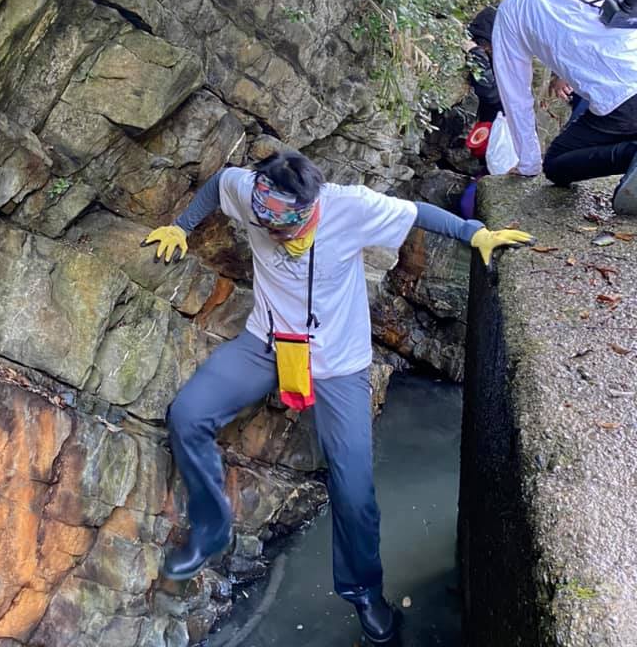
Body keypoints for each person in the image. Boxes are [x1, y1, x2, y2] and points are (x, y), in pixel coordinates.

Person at [142, 150, 532, 644]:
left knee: (354, 492)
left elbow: (417, 212)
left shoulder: (352, 207)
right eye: (266, 225)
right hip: (267, 343)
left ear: (309, 208)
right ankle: (211, 525)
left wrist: (476, 233)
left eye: (283, 229)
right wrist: (182, 224)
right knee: (188, 414)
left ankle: (364, 592)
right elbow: (220, 180)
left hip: (339, 365)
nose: (273, 235)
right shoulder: (251, 191)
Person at [491, 0, 637, 212]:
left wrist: (528, 163)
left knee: (557, 163)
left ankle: (632, 155)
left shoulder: (510, 11)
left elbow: (516, 95)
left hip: (621, 102)